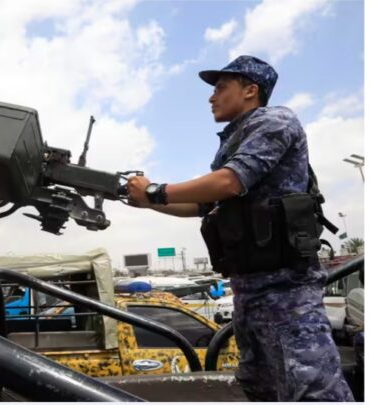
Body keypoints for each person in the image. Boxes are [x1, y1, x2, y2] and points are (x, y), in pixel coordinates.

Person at [125, 55, 354, 401]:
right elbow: (203, 205)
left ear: (250, 90)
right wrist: (148, 201)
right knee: (260, 389)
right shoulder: (233, 141)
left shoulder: (275, 121)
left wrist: (157, 190)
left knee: (314, 394)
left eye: (220, 87)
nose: (211, 97)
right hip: (249, 294)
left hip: (286, 295)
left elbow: (229, 183)